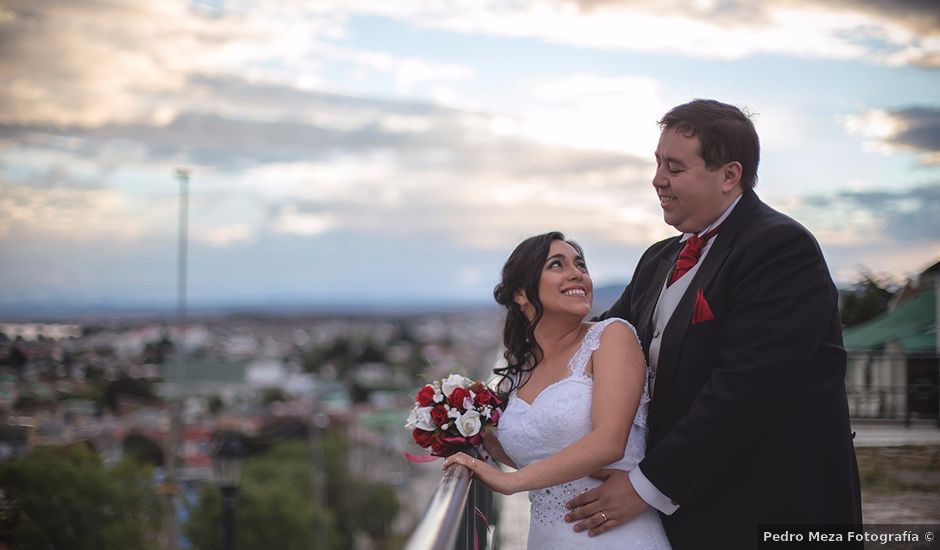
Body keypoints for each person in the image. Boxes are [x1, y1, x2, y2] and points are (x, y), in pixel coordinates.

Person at [563, 99, 864, 549]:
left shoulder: (780, 248)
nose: (657, 180)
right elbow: (599, 346)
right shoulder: (657, 259)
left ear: (729, 175)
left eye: (675, 167)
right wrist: (498, 400)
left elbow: (745, 393)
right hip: (690, 517)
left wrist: (645, 485)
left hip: (772, 511)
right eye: (657, 163)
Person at [443, 231, 671, 549]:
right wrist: (459, 429)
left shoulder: (611, 337)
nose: (576, 273)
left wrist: (511, 482)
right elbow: (539, 455)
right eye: (557, 265)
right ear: (521, 293)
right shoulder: (519, 371)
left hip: (614, 536)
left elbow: (609, 442)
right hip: (545, 539)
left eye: (580, 264)